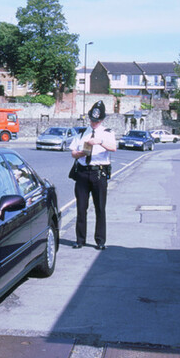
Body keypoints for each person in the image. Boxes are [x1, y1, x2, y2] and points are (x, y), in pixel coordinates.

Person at [68, 101, 117, 249]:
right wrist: (81, 153)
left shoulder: (108, 133)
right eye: (92, 120)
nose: (94, 123)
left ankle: (100, 241)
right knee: (81, 208)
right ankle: (80, 240)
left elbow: (113, 148)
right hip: (83, 172)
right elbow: (73, 153)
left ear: (102, 120)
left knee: (100, 208)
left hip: (99, 173)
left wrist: (99, 142)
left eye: (97, 121)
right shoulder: (82, 133)